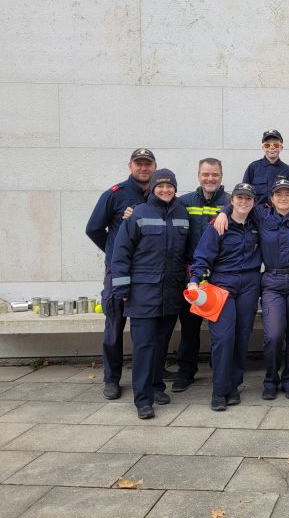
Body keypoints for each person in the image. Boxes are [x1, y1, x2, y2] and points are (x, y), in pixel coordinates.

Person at [110, 169, 189, 419]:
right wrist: (121, 289)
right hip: (143, 292)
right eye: (160, 186)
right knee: (144, 347)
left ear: (175, 188)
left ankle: (156, 387)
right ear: (153, 188)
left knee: (161, 344)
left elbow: (187, 252)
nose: (165, 190)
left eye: (170, 186)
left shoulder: (182, 213)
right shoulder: (138, 214)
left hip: (171, 292)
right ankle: (143, 400)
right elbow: (120, 254)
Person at [86, 147, 156, 400]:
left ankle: (152, 374)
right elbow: (94, 229)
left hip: (147, 272)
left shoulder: (160, 193)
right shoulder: (114, 194)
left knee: (148, 326)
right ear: (130, 166)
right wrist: (114, 252)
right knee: (115, 325)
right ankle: (112, 378)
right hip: (119, 271)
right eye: (139, 163)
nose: (143, 168)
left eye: (147, 164)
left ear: (154, 166)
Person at [189, 183, 263, 411]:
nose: (243, 202)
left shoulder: (257, 224)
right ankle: (219, 391)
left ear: (253, 202)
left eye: (248, 198)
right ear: (232, 200)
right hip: (221, 285)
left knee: (242, 336)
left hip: (249, 285)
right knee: (223, 338)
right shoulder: (218, 225)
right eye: (239, 197)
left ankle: (233, 385)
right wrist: (194, 280)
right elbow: (202, 256)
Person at [173, 158, 230, 392]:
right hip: (192, 275)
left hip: (220, 276)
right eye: (206, 174)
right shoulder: (184, 202)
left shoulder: (230, 202)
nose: (210, 178)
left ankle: (222, 371)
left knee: (221, 328)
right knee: (190, 327)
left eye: (215, 174)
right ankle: (186, 372)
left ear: (221, 176)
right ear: (199, 175)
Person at [258, 178, 289, 400]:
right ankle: (271, 379)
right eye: (278, 194)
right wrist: (223, 213)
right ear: (271, 198)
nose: (283, 197)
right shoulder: (262, 216)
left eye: (287, 194)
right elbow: (239, 204)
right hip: (272, 283)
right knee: (274, 335)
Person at [242, 129, 289, 208]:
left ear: (281, 147)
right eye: (267, 145)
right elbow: (244, 193)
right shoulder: (253, 167)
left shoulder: (287, 170)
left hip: (279, 213)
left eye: (276, 145)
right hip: (256, 213)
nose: (272, 148)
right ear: (263, 148)